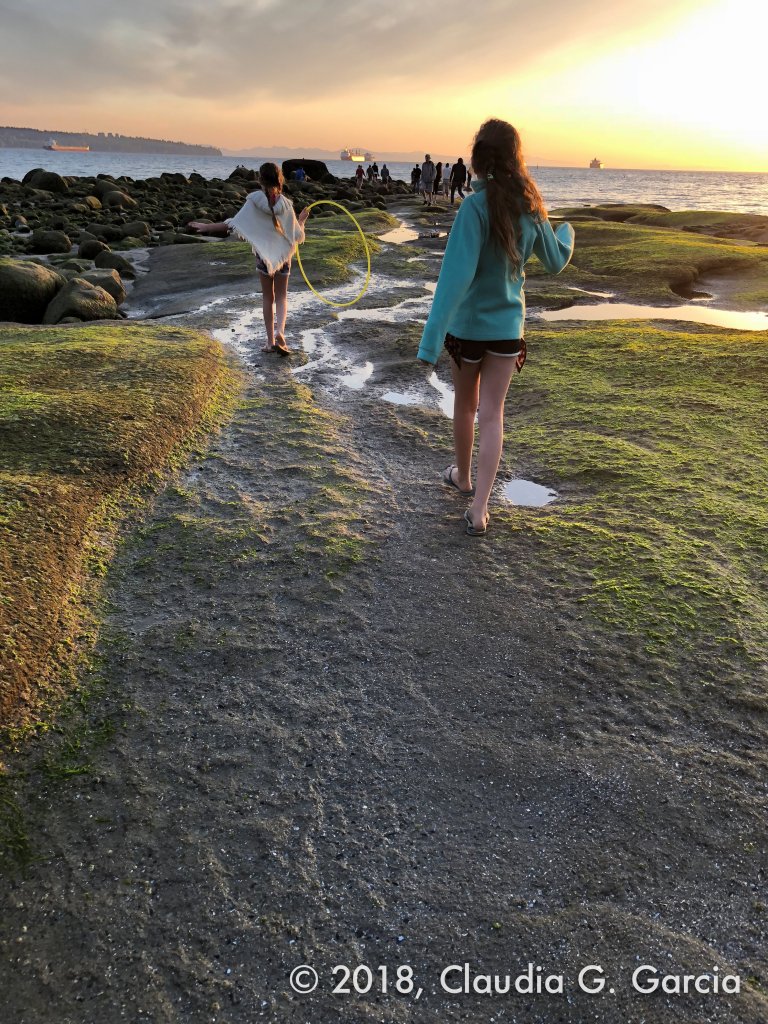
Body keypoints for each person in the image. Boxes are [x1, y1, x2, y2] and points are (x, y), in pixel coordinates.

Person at [416, 119, 574, 536]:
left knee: (466, 407)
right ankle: (480, 509)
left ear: (478, 158)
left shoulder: (473, 207)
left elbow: (454, 279)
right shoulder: (531, 206)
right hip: (508, 329)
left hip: (468, 330)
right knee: (493, 415)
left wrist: (430, 343)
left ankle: (463, 478)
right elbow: (557, 261)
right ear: (515, 158)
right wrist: (566, 231)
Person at [188, 162, 309, 356]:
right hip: (283, 258)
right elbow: (296, 234)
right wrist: (301, 219)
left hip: (263, 257)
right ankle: (280, 332)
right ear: (280, 179)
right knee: (281, 297)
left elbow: (233, 224)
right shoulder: (286, 204)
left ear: (260, 179)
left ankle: (270, 342)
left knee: (267, 298)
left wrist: (206, 226)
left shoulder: (254, 201)